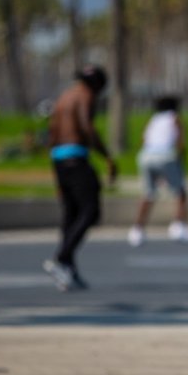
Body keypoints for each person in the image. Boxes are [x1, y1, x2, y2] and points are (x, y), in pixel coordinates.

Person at [43, 65, 117, 291]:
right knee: (90, 210)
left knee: (71, 213)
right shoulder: (86, 96)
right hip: (76, 157)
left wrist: (56, 171)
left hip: (58, 158)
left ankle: (67, 270)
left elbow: (52, 132)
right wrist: (106, 156)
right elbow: (86, 125)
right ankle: (61, 257)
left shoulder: (64, 97)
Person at [127, 95, 188, 245]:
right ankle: (178, 227)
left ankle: (137, 230)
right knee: (181, 191)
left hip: (146, 157)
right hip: (166, 156)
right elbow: (180, 142)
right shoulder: (175, 118)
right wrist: (181, 162)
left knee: (148, 193)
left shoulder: (153, 120)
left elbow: (144, 140)